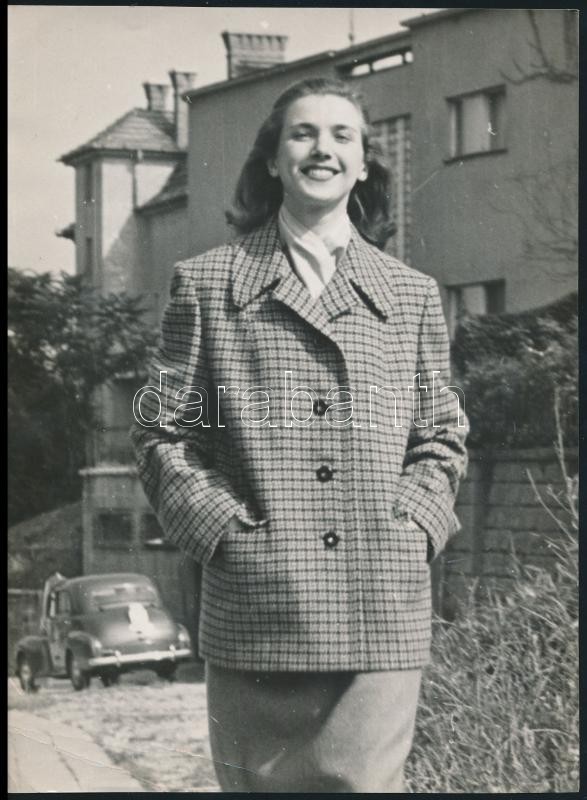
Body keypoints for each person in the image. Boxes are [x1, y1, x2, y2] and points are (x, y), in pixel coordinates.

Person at [131, 77, 468, 793]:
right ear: (272, 159)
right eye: (302, 133)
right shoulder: (205, 284)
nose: (323, 149)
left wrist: (410, 530)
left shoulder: (411, 294)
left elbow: (440, 436)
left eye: (342, 136)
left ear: (365, 163)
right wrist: (226, 534)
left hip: (378, 609)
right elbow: (162, 433)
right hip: (256, 611)